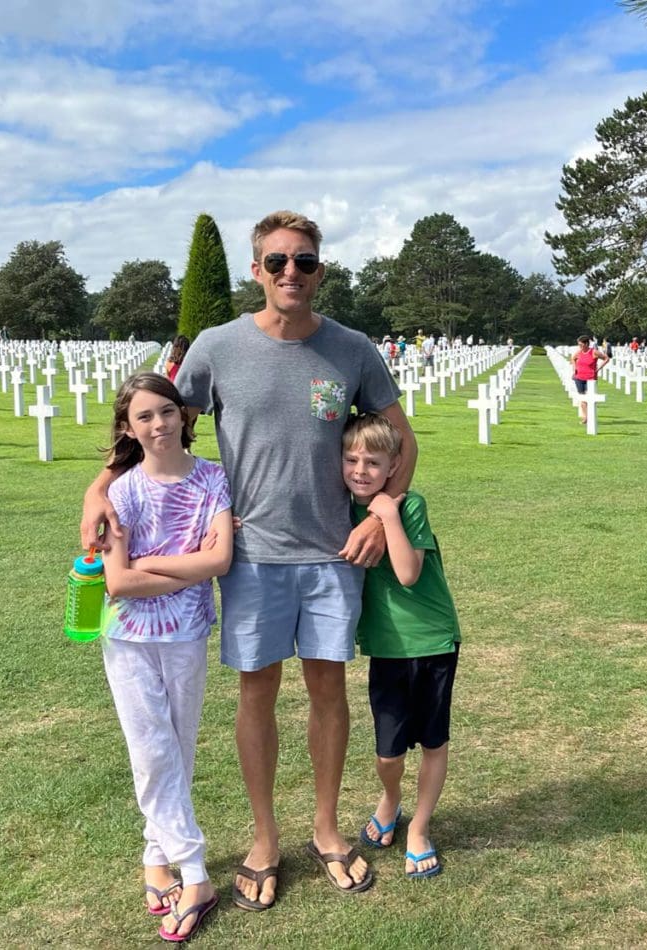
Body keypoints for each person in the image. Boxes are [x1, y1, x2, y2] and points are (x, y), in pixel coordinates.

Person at [81, 210, 417, 911]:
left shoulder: (352, 349)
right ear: (257, 270)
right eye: (276, 262)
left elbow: (402, 440)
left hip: (332, 555)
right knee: (256, 695)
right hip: (251, 558)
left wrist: (384, 515)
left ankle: (325, 830)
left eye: (304, 262)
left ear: (320, 270)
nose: (291, 273)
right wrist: (98, 487)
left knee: (328, 691)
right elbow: (157, 420)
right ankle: (265, 838)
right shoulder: (217, 346)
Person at [98, 372, 233, 942]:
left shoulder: (213, 481)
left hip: (185, 634)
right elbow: (118, 584)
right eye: (144, 417)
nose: (158, 425)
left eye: (166, 412)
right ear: (129, 429)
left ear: (184, 415)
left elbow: (222, 560)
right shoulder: (122, 492)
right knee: (150, 750)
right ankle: (196, 872)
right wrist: (188, 561)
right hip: (127, 637)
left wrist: (151, 567)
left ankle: (157, 854)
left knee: (175, 744)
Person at [341, 413, 460, 879]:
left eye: (373, 461)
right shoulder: (340, 508)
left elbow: (408, 574)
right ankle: (390, 799)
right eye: (351, 459)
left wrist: (387, 512)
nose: (360, 470)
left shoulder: (409, 506)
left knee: (433, 740)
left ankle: (420, 829)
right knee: (388, 752)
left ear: (393, 467)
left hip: (431, 641)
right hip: (386, 648)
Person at [569, 335, 610, 425]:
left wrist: (598, 368)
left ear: (587, 343)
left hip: (590, 379)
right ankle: (586, 417)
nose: (580, 347)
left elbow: (606, 359)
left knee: (590, 398)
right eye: (579, 345)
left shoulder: (594, 352)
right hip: (579, 378)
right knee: (582, 398)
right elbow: (573, 359)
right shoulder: (579, 352)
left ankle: (591, 416)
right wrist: (574, 369)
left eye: (581, 345)